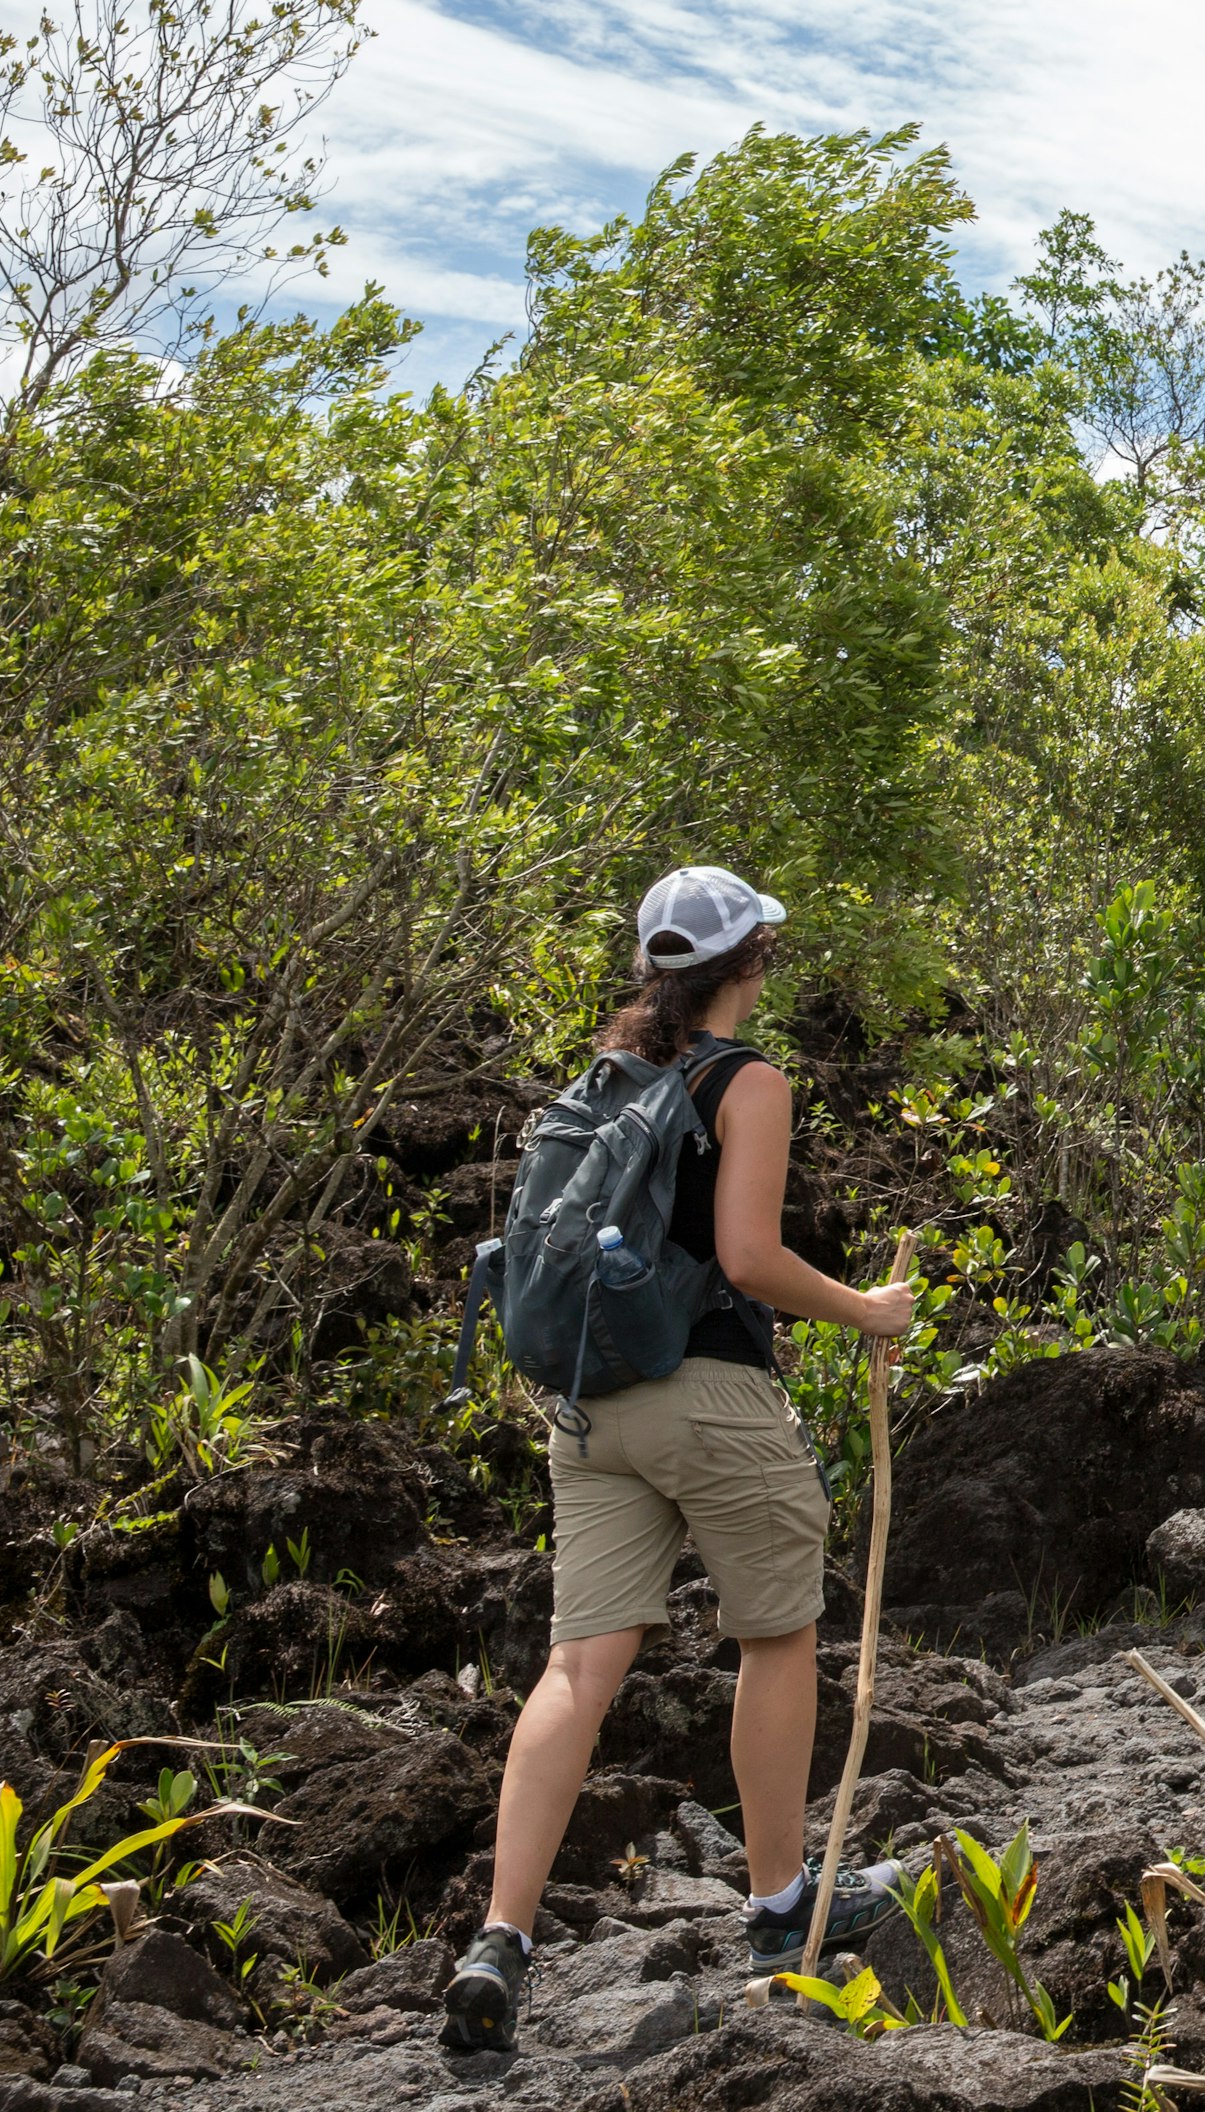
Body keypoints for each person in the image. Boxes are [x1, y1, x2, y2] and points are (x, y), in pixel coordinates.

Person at [444, 866, 920, 2055]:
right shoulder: (747, 1081)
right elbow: (749, 1257)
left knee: (576, 1669)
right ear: (749, 959)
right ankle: (778, 1909)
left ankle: (500, 1939)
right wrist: (866, 1308)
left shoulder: (603, 1084)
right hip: (708, 1394)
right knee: (778, 1634)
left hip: (592, 1409)